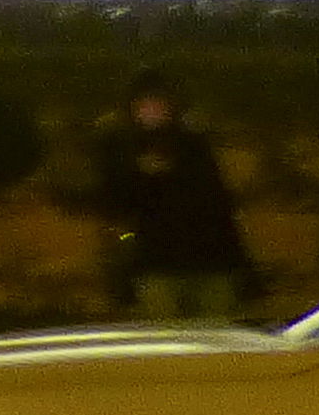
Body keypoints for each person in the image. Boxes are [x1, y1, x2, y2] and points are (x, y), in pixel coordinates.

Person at [95, 73, 253, 320]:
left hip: (209, 260)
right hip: (156, 263)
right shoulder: (121, 149)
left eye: (158, 102)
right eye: (145, 104)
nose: (152, 110)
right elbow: (116, 203)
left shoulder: (194, 147)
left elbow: (217, 205)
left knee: (211, 337)